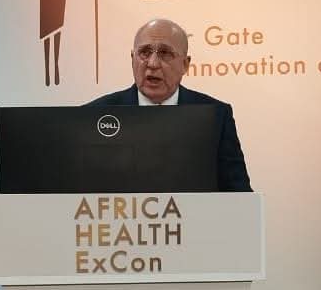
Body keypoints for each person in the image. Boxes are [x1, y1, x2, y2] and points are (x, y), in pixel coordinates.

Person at [88, 18, 252, 192]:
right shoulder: (94, 114)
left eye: (165, 53)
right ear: (132, 59)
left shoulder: (215, 117)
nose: (152, 63)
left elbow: (239, 195)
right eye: (144, 52)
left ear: (185, 64)